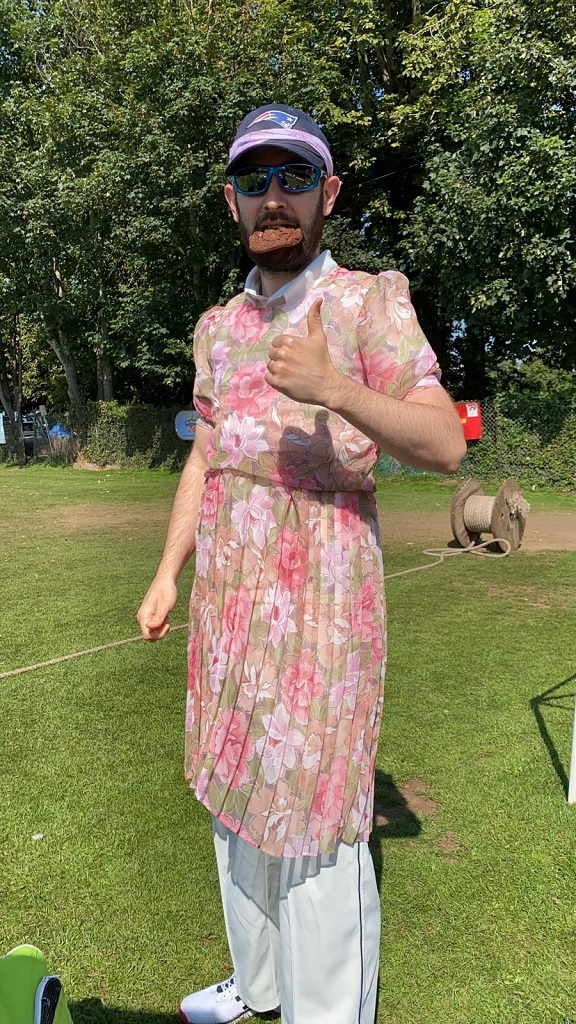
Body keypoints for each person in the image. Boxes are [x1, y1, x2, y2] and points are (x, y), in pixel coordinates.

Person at [137, 104, 466, 1024]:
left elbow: (444, 444)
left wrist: (333, 387)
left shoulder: (366, 302)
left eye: (294, 177)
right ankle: (260, 986)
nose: (272, 196)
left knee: (316, 831)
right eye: (254, 179)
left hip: (325, 620)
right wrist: (167, 572)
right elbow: (207, 454)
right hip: (227, 616)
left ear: (328, 193)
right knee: (235, 800)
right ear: (231, 200)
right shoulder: (216, 327)